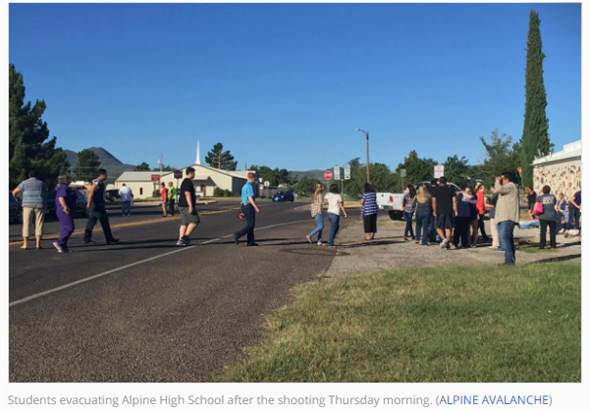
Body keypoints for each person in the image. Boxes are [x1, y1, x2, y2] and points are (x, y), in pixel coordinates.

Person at [12, 170, 47, 249]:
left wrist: (19, 200)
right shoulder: (41, 183)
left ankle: (25, 244)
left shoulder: (24, 183)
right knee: (39, 223)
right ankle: (38, 244)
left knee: (26, 224)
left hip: (27, 205)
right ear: (37, 176)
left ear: (29, 176)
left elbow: (14, 192)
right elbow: (45, 193)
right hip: (39, 204)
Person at [84, 169, 119, 245]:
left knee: (92, 222)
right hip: (96, 206)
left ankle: (87, 238)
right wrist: (89, 203)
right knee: (104, 221)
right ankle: (109, 239)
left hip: (99, 205)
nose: (107, 176)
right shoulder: (96, 182)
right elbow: (91, 192)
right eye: (106, 174)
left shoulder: (101, 183)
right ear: (101, 175)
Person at [495, 171, 520, 265]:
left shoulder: (510, 186)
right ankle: (509, 260)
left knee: (504, 238)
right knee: (508, 239)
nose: (501, 180)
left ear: (506, 179)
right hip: (504, 217)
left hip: (507, 217)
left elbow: (499, 189)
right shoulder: (510, 187)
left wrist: (497, 181)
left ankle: (509, 261)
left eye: (502, 179)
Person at [234, 172, 260, 246]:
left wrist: (241, 209)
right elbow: (250, 198)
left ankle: (250, 241)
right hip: (248, 206)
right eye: (254, 179)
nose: (254, 181)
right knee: (251, 225)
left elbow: (242, 198)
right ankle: (238, 234)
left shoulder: (244, 186)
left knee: (249, 224)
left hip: (244, 206)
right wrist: (256, 207)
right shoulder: (249, 186)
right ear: (252, 178)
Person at [431, 176, 458, 250]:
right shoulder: (451, 189)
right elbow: (454, 201)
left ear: (439, 182)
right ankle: (447, 242)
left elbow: (434, 202)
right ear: (446, 182)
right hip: (449, 210)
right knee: (448, 227)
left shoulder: (436, 190)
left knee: (437, 226)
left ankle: (444, 240)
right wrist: (455, 210)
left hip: (439, 210)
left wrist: (434, 210)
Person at [53, 175, 76, 253]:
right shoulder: (64, 188)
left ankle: (63, 247)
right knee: (70, 227)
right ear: (65, 180)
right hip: (63, 210)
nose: (71, 180)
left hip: (63, 210)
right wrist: (65, 207)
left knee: (64, 228)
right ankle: (59, 242)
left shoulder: (65, 188)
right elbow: (61, 198)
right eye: (69, 179)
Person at [177, 167, 200, 246]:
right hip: (186, 205)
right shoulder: (188, 182)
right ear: (190, 173)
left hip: (181, 205)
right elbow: (187, 194)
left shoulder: (185, 181)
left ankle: (180, 240)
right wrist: (190, 206)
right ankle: (185, 238)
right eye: (194, 173)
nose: (194, 174)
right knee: (195, 220)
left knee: (184, 223)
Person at [535, 185, 560, 249]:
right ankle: (553, 245)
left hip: (543, 216)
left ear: (543, 190)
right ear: (549, 190)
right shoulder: (553, 197)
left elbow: (537, 205)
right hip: (552, 216)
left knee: (543, 231)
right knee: (552, 231)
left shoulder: (540, 197)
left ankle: (542, 245)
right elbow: (554, 204)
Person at [324, 184, 348, 248]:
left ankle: (331, 240)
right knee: (333, 228)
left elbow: (325, 202)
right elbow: (341, 205)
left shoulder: (327, 194)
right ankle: (330, 244)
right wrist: (345, 213)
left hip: (329, 213)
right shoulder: (338, 196)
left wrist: (329, 201)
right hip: (335, 213)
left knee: (336, 227)